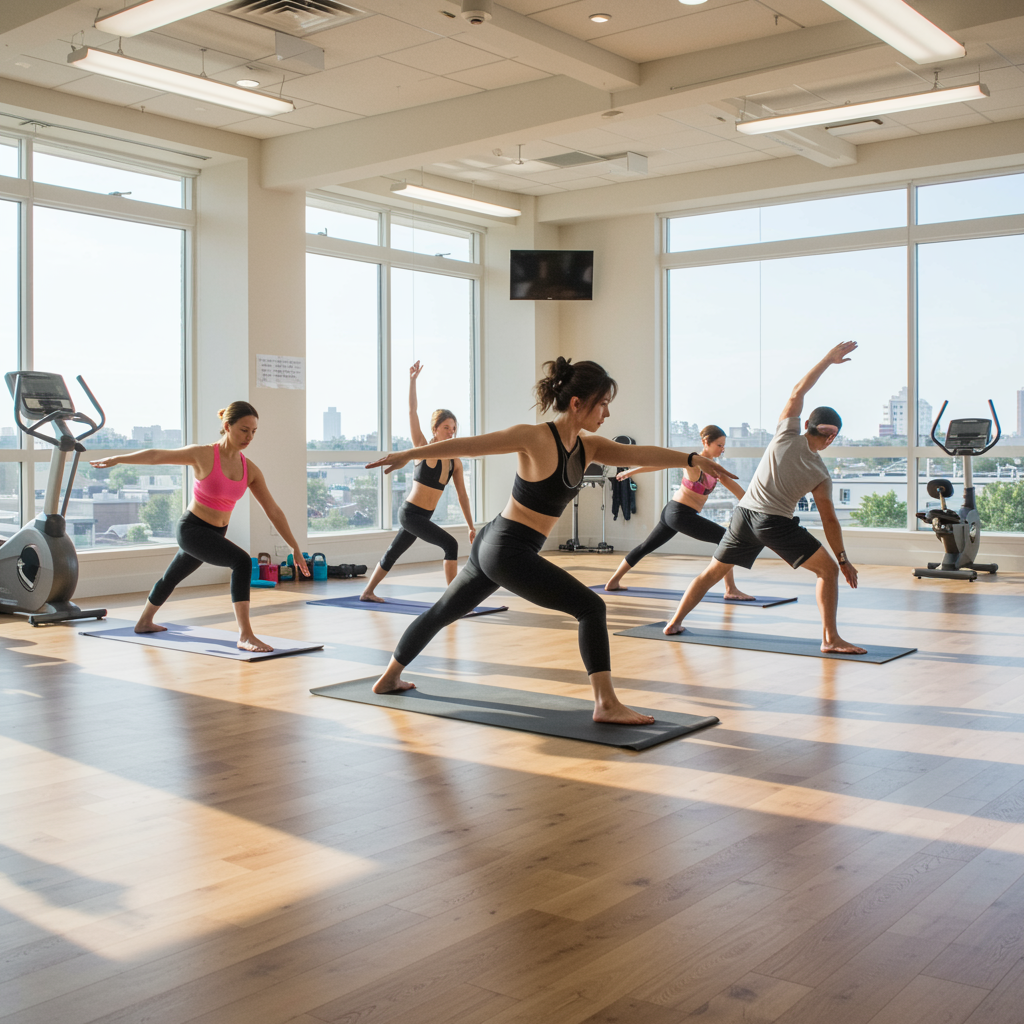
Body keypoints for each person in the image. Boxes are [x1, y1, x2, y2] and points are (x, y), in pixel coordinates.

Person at [365, 357, 737, 725]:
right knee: (591, 608)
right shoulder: (534, 437)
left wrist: (693, 459)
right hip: (507, 549)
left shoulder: (589, 446)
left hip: (497, 544)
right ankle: (606, 703)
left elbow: (640, 453)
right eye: (602, 404)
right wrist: (409, 454)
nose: (607, 413)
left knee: (442, 612)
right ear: (576, 403)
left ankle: (389, 678)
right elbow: (470, 446)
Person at [662, 342, 865, 654]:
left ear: (807, 425)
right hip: (773, 523)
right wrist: (842, 560)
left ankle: (674, 622)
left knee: (712, 572)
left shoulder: (786, 436)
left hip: (743, 516)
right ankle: (830, 639)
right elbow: (829, 520)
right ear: (829, 436)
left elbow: (798, 392)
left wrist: (827, 360)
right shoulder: (820, 472)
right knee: (828, 571)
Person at [89, 401, 309, 652]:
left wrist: (294, 547)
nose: (249, 437)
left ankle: (144, 622)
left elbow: (273, 510)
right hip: (192, 530)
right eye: (244, 430)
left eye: (253, 432)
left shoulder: (250, 469)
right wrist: (117, 459)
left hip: (215, 533)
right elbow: (156, 456)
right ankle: (246, 635)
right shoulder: (203, 454)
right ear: (227, 426)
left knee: (172, 576)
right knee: (242, 562)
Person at [361, 362, 476, 602]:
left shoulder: (454, 462)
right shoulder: (422, 448)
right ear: (435, 429)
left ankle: (367, 592)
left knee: (393, 552)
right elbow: (412, 412)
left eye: (454, 429)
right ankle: (452, 601)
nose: (451, 432)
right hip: (410, 513)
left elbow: (462, 496)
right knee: (450, 545)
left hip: (423, 517)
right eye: (446, 427)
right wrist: (412, 381)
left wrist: (470, 526)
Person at [604, 424, 754, 600]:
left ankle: (613, 582)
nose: (722, 449)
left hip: (674, 513)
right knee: (725, 538)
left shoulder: (714, 468)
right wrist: (633, 471)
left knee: (646, 546)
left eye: (723, 446)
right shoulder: (694, 463)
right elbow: (661, 464)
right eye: (719, 445)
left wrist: (754, 505)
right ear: (706, 442)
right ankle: (730, 589)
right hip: (680, 514)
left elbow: (735, 488)